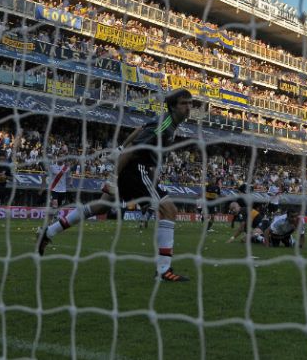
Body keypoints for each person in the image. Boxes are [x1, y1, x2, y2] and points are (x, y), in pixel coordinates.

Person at [37, 88, 197, 282]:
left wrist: (121, 147)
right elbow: (132, 150)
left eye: (190, 103)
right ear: (172, 106)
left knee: (102, 206)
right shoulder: (165, 124)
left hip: (136, 168)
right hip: (134, 169)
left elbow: (139, 129)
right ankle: (163, 271)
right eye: (183, 103)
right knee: (169, 210)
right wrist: (113, 176)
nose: (188, 107)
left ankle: (49, 231)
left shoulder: (165, 122)